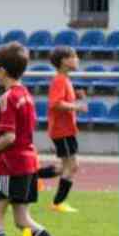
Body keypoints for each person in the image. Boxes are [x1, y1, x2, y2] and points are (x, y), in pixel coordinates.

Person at [0, 43, 80, 236]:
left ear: (2, 71)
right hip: (27, 162)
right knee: (22, 219)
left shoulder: (7, 98)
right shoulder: (25, 94)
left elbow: (9, 136)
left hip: (9, 165)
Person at [39, 46, 83, 209]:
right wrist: (76, 107)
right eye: (74, 56)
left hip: (66, 130)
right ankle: (58, 203)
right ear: (64, 61)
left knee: (65, 167)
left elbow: (62, 100)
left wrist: (76, 96)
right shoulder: (59, 80)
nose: (77, 59)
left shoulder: (65, 80)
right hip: (62, 130)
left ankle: (29, 175)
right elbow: (55, 104)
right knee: (72, 166)